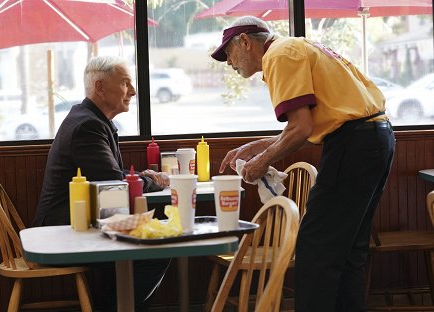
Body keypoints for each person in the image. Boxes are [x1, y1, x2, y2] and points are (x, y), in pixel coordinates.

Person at [212, 16, 395, 312]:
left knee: (315, 246)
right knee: (349, 249)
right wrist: (258, 146)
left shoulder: (278, 55)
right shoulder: (297, 46)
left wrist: (260, 163)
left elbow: (301, 129)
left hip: (354, 144)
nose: (229, 63)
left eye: (228, 54)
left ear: (245, 41)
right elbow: (304, 123)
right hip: (376, 138)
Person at [33, 55, 170, 312]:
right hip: (62, 230)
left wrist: (142, 178)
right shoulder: (87, 125)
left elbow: (113, 176)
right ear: (99, 87)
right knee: (155, 249)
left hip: (79, 221)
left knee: (151, 235)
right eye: (125, 83)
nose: (133, 91)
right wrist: (152, 182)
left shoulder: (91, 119)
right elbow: (115, 184)